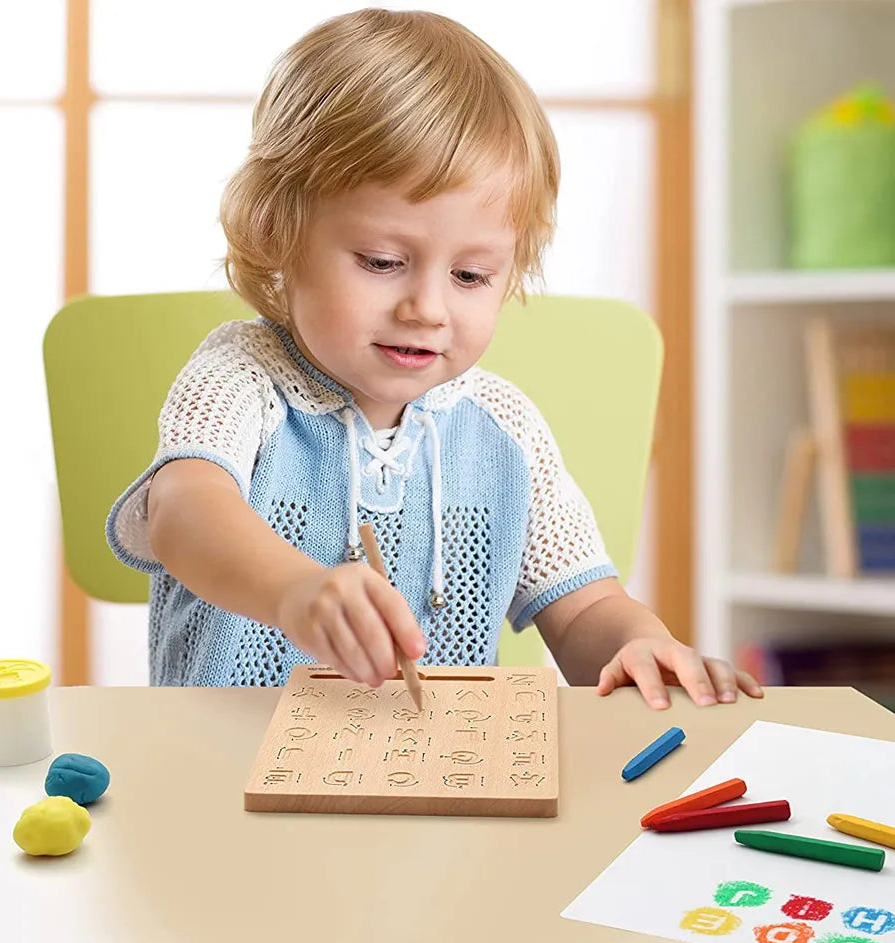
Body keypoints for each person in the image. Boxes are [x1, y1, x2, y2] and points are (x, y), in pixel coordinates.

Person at [106, 8, 762, 710]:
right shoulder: (241, 378)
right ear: (279, 233)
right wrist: (295, 590)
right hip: (222, 776)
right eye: (383, 262)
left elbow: (583, 609)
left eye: (471, 276)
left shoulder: (505, 428)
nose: (427, 308)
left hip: (432, 778)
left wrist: (637, 642)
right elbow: (183, 512)